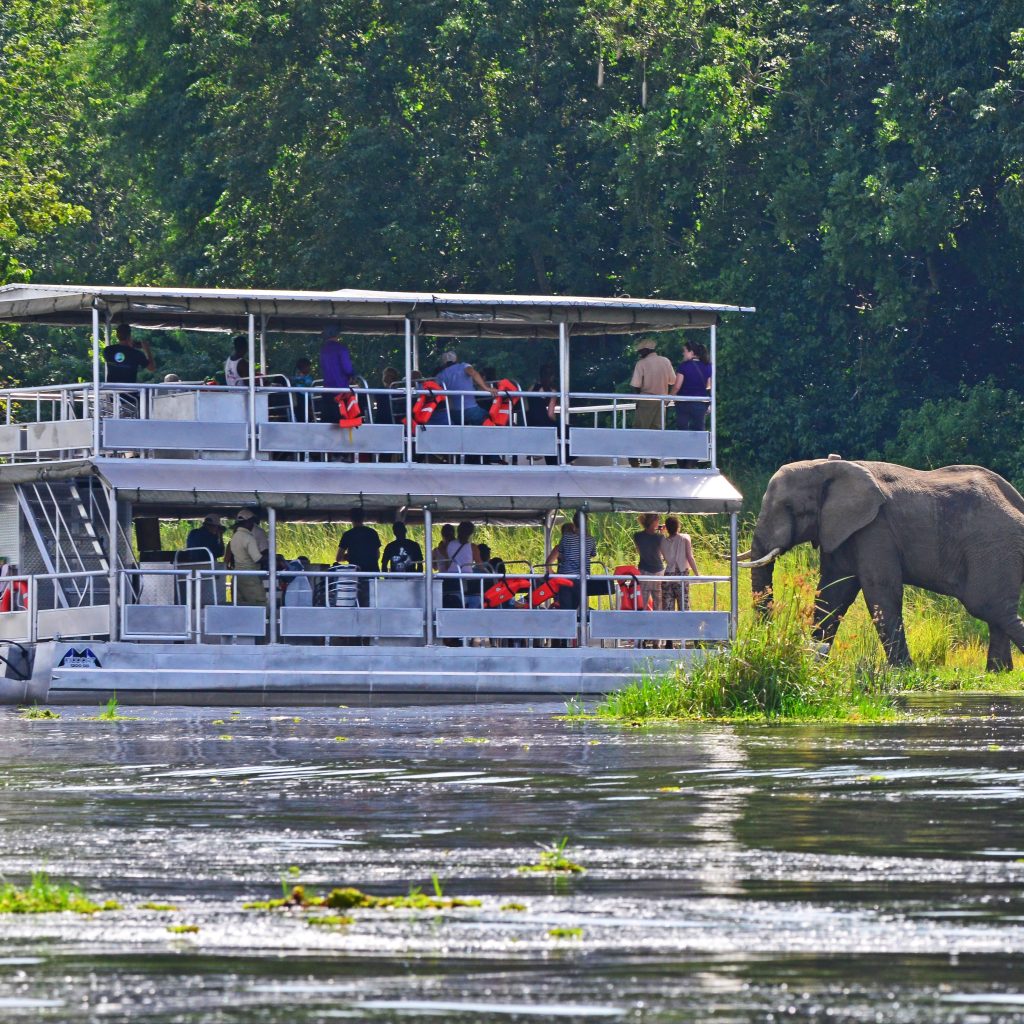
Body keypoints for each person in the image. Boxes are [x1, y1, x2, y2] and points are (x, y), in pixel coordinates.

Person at [629, 338, 676, 466]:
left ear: (646, 350)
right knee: (657, 429)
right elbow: (673, 381)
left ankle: (634, 457)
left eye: (640, 351)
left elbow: (636, 384)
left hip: (646, 399)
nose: (639, 353)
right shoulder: (666, 361)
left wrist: (637, 399)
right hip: (661, 401)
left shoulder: (641, 364)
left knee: (640, 428)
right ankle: (656, 458)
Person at [545, 512, 596, 611]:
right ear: (586, 522)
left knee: (566, 607)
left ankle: (566, 624)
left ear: (574, 522)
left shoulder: (566, 537)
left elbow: (561, 551)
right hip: (582, 577)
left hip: (566, 576)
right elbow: (592, 554)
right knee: (577, 605)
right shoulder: (591, 539)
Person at [103, 323, 154, 417]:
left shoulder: (108, 350)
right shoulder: (136, 354)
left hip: (112, 396)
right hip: (129, 397)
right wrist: (147, 350)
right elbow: (151, 368)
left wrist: (129, 346)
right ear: (130, 336)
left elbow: (122, 354)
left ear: (117, 335)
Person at [434, 351, 495, 425]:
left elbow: (436, 390)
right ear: (456, 359)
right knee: (490, 416)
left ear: (444, 363)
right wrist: (487, 388)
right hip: (471, 410)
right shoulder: (464, 366)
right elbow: (473, 373)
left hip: (454, 414)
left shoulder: (440, 375)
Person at [336, 509, 380, 606]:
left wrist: (349, 557)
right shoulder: (372, 533)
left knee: (356, 603)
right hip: (372, 573)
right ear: (364, 518)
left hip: (356, 576)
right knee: (373, 602)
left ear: (350, 519)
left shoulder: (348, 535)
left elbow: (338, 558)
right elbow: (377, 555)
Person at [229, 508, 268, 607]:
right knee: (259, 605)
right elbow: (257, 558)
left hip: (236, 576)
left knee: (240, 606)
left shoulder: (235, 537)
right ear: (248, 522)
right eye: (252, 522)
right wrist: (272, 557)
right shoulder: (248, 538)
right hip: (249, 577)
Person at [660, 515, 699, 613]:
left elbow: (661, 555)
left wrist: (662, 532)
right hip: (681, 575)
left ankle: (669, 627)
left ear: (667, 528)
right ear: (678, 526)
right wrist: (697, 574)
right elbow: (690, 557)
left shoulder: (662, 542)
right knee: (684, 607)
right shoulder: (685, 538)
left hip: (668, 576)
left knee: (668, 609)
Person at [672, 340, 712, 432]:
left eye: (684, 351)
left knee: (682, 429)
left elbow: (677, 386)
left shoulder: (684, 366)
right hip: (700, 402)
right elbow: (709, 385)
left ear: (691, 352)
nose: (683, 354)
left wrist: (669, 398)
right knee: (698, 430)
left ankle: (683, 446)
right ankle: (698, 446)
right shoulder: (708, 366)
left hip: (683, 403)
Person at [319, 324, 355, 424]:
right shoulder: (341, 349)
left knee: (328, 420)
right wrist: (351, 375)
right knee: (342, 419)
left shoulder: (323, 350)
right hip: (340, 388)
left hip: (327, 388)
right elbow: (347, 368)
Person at [633, 512, 665, 614]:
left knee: (643, 604)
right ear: (654, 522)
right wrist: (663, 533)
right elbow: (663, 553)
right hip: (659, 572)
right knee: (659, 604)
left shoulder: (637, 536)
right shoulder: (660, 538)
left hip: (643, 571)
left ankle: (641, 626)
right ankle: (658, 627)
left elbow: (639, 551)